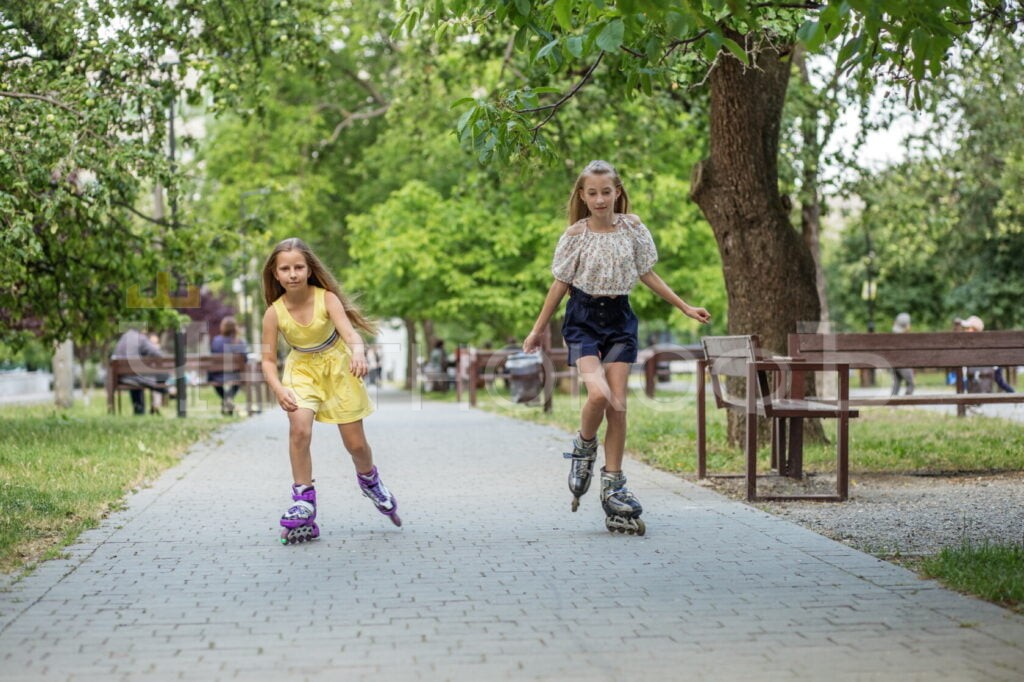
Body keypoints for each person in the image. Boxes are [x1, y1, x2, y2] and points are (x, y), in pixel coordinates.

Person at [522, 159, 711, 536]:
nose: (599, 199)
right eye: (592, 193)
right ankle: (583, 448)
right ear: (582, 195)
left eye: (606, 192)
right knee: (599, 395)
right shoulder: (575, 236)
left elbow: (647, 273)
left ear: (618, 192)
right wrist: (537, 329)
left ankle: (613, 484)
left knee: (619, 405)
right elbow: (559, 285)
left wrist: (685, 306)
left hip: (621, 319)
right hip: (583, 319)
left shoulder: (633, 229)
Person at [260, 237, 401, 545]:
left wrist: (359, 353)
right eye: (285, 268)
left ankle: (369, 480)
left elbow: (351, 334)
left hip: (339, 369)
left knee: (356, 445)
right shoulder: (274, 313)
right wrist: (278, 387)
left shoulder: (327, 299)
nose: (293, 273)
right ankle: (303, 498)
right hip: (302, 370)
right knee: (299, 428)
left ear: (310, 269)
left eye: (299, 267)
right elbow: (268, 360)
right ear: (275, 273)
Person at [112, 328, 168, 415]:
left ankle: (139, 409)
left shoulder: (123, 338)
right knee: (163, 376)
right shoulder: (141, 338)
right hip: (136, 377)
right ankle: (168, 390)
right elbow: (158, 354)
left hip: (122, 377)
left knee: (136, 377)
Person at [960, 315, 1015, 393]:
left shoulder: (978, 340)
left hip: (994, 365)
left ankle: (1012, 393)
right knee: (999, 381)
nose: (965, 330)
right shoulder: (977, 340)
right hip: (989, 365)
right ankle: (1012, 393)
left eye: (968, 328)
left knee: (999, 381)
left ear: (974, 329)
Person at [208, 316, 248, 415]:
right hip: (235, 375)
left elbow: (213, 356)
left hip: (217, 375)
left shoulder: (216, 341)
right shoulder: (239, 341)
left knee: (214, 381)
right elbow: (245, 359)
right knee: (239, 379)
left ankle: (226, 399)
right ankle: (228, 399)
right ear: (235, 328)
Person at [890, 312, 914, 396]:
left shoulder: (894, 335)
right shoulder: (906, 338)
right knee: (911, 383)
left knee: (896, 384)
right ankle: (907, 401)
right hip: (903, 362)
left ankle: (892, 403)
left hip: (894, 363)